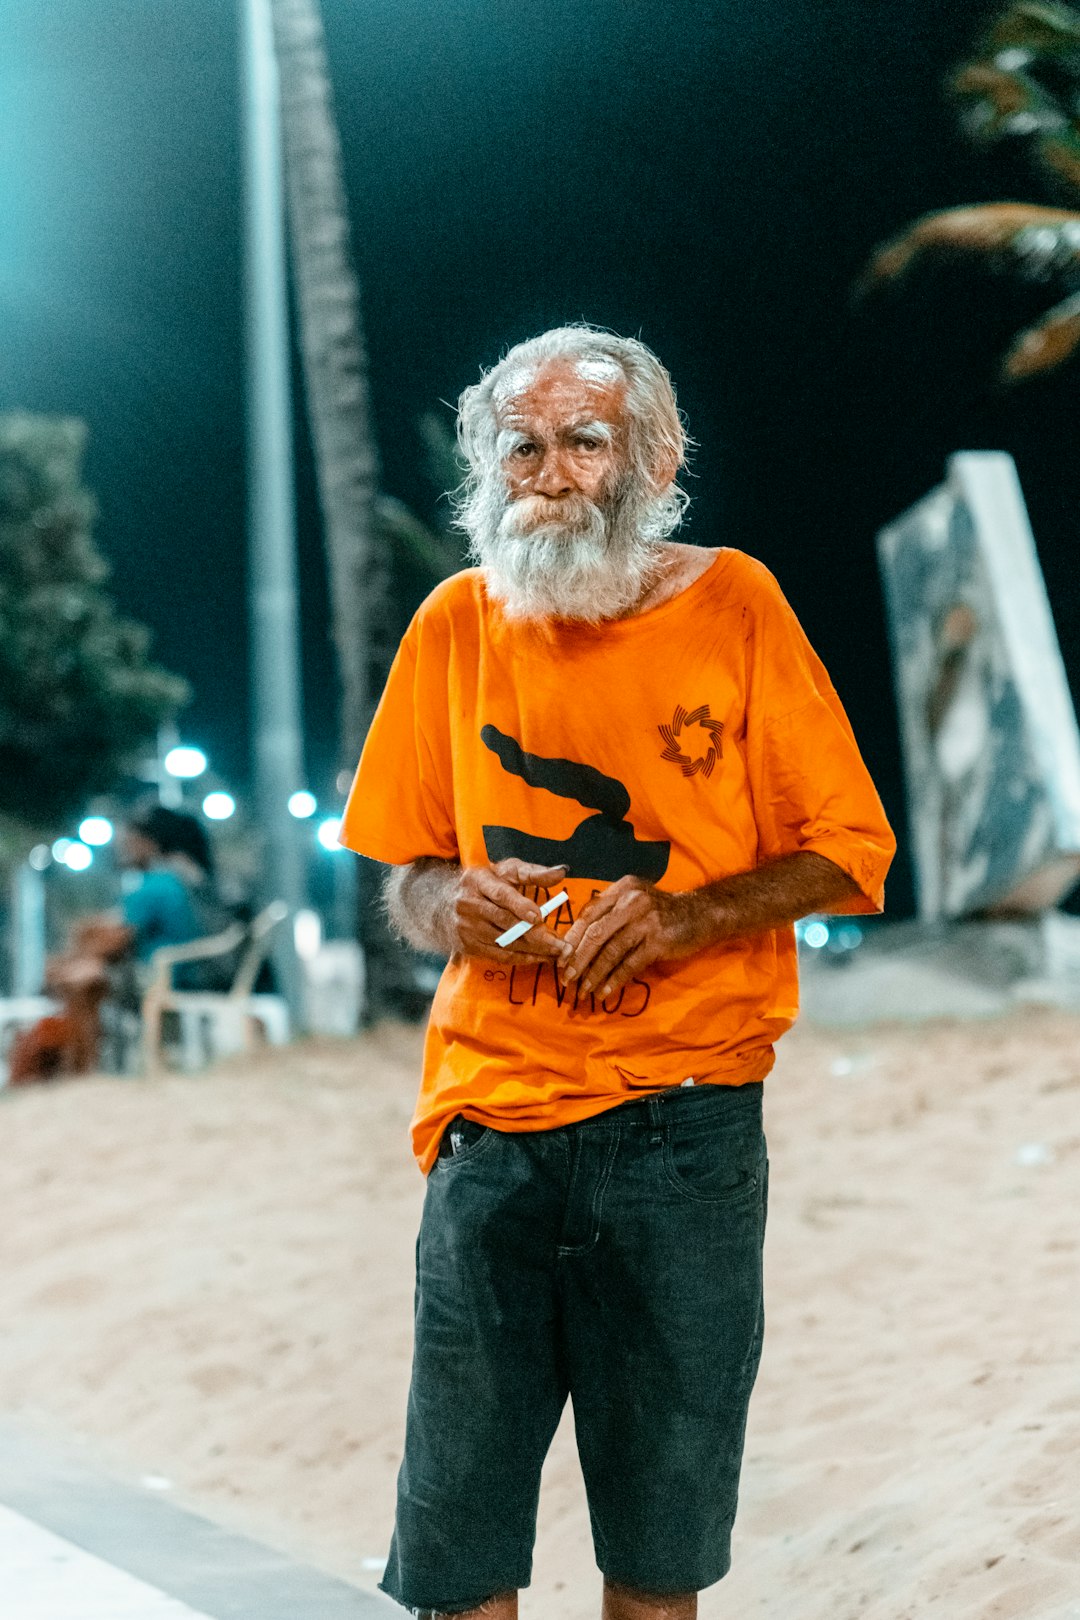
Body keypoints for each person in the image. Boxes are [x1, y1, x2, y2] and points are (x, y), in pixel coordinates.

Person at [338, 325, 896, 1620]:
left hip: (687, 1132)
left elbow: (846, 850)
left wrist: (685, 918)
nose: (549, 473)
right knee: (459, 1546)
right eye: (521, 446)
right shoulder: (456, 622)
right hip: (493, 1131)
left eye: (583, 442)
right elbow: (403, 876)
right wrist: (447, 901)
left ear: (653, 458)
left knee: (658, 1543)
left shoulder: (735, 602)